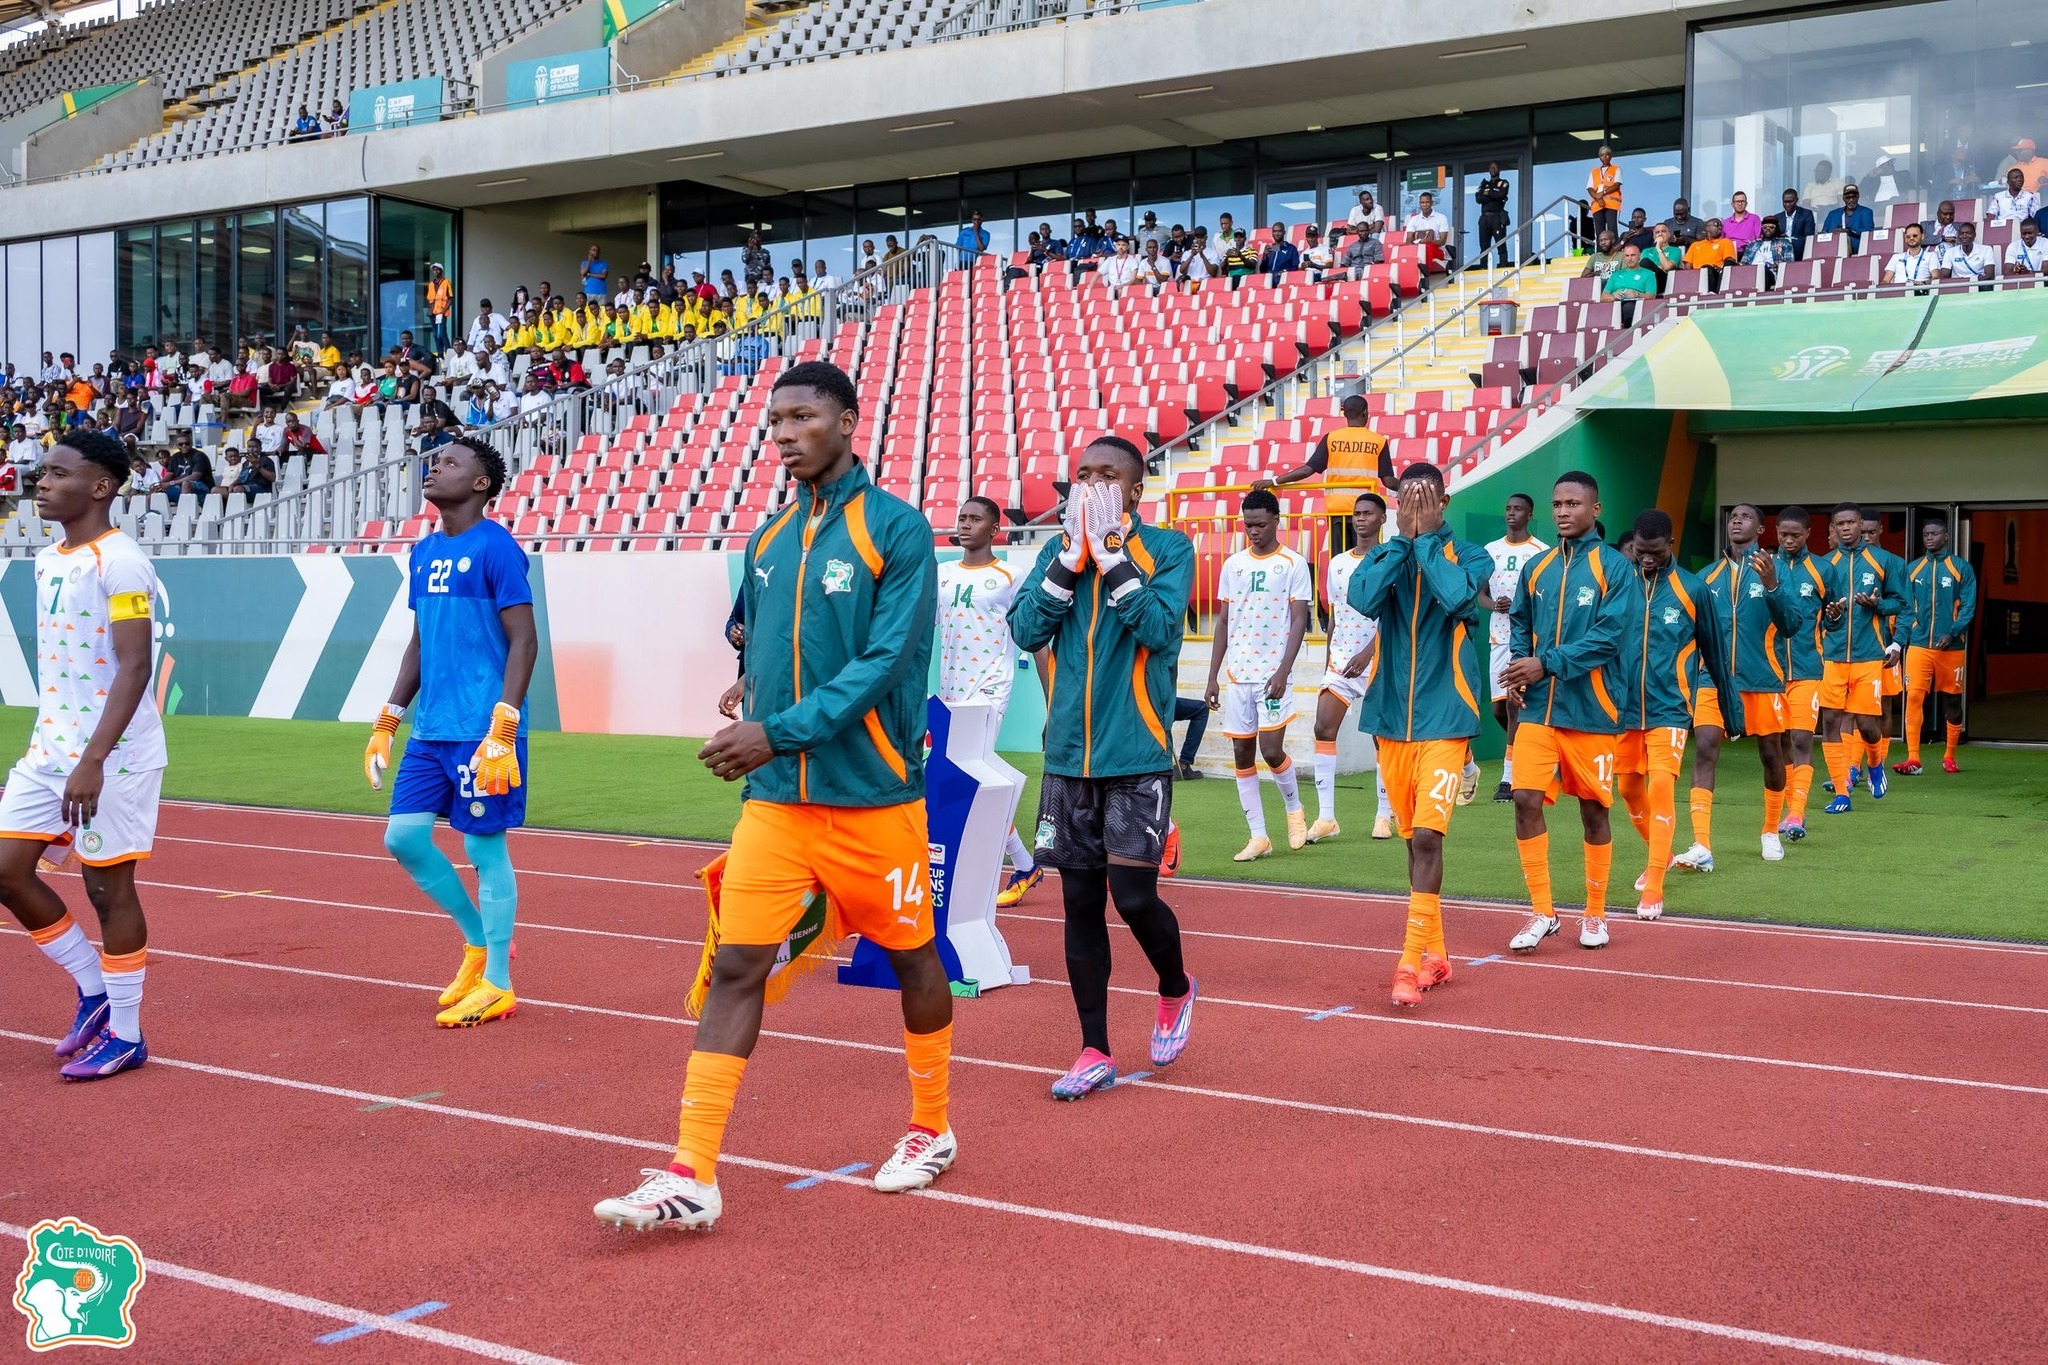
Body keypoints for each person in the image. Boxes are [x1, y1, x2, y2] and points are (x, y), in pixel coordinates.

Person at [593, 363, 954, 1229]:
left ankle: (931, 1128)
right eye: (776, 420)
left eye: (803, 417)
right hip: (776, 802)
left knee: (912, 962)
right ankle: (694, 1172)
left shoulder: (898, 531)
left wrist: (776, 727)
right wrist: (747, 690)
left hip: (875, 798)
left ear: (849, 422)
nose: (785, 433)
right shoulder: (765, 539)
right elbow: (760, 638)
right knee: (736, 964)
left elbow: (886, 661)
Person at [1009, 436, 1196, 1100]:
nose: (1088, 485)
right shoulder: (1053, 555)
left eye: (1105, 476)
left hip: (1137, 754)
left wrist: (1112, 555)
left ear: (1134, 492)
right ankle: (1094, 1047)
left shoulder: (1167, 549)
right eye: (1081, 475)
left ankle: (1174, 986)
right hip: (1067, 759)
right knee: (1080, 901)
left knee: (1135, 897)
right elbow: (1026, 630)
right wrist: (1069, 559)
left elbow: (1158, 629)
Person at [0, 430, 164, 1080]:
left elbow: (135, 665)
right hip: (51, 749)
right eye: (41, 472)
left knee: (107, 887)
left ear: (100, 486)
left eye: (58, 473)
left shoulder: (120, 562)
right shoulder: (48, 558)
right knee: (8, 869)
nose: (41, 482)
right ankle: (95, 990)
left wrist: (93, 757)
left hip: (113, 755)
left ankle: (126, 1034)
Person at [363, 435, 536, 1030]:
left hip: (482, 729)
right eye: (433, 461)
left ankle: (499, 985)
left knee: (483, 847)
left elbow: (524, 640)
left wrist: (505, 724)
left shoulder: (498, 549)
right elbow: (419, 640)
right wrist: (390, 716)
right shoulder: (423, 552)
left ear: (481, 483)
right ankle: (481, 943)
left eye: (451, 462)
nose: (435, 468)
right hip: (431, 728)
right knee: (403, 838)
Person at [1347, 463, 1491, 1006]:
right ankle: (1436, 955)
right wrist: (1400, 546)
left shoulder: (1472, 554)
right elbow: (1362, 599)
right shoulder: (1387, 553)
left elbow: (1458, 597)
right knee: (1413, 840)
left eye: (1423, 499)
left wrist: (1428, 543)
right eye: (1405, 499)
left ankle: (1408, 964)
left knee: (1430, 837)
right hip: (1391, 722)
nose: (1413, 507)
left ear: (1444, 502)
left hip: (1447, 718)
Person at [1503, 472, 1633, 954]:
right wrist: (1520, 670)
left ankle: (1595, 916)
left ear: (1594, 510)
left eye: (1573, 503)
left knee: (1594, 814)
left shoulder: (1614, 567)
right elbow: (1520, 619)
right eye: (1557, 503)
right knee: (1524, 801)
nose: (1563, 511)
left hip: (1593, 713)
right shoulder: (1536, 566)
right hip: (1539, 712)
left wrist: (1546, 664)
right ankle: (1542, 912)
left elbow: (1609, 637)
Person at [1614, 510, 1732, 920]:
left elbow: (1715, 654)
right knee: (1629, 789)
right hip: (1622, 708)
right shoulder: (1618, 583)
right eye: (1638, 552)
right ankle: (1658, 855)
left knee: (1661, 784)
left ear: (1670, 545)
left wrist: (1730, 713)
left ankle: (1654, 888)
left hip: (1670, 707)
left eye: (1653, 552)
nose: (1644, 559)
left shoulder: (1693, 590)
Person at [1671, 505, 1798, 875]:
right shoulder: (1706, 576)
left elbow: (1791, 625)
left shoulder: (1774, 570)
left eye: (1745, 517)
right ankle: (1702, 844)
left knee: (1772, 756)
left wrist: (1773, 584)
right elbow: (1685, 629)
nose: (1736, 521)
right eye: (1732, 517)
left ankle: (1771, 830)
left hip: (1763, 680)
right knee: (1706, 749)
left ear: (1761, 527)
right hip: (1712, 680)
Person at [937, 495, 1047, 908]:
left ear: (994, 529)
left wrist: (1051, 700)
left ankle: (983, 870)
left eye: (975, 519)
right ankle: (1023, 863)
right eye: (961, 517)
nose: (965, 524)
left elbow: (1035, 638)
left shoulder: (1010, 576)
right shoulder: (942, 574)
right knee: (970, 782)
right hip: (949, 693)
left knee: (971, 780)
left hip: (989, 691)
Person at [1206, 489, 1312, 861]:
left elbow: (1300, 618)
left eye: (1260, 524)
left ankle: (1295, 810)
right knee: (1241, 752)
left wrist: (1284, 669)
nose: (1252, 531)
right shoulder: (1233, 565)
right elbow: (1223, 621)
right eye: (1247, 524)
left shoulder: (1294, 563)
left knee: (1271, 750)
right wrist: (1212, 676)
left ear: (1276, 521)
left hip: (1272, 674)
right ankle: (1258, 836)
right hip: (1238, 674)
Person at [1306, 496, 1393, 843]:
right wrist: (1330, 657)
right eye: (1356, 514)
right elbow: (1335, 614)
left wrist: (1369, 651)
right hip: (1341, 663)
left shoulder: (1390, 559)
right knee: (1322, 727)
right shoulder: (1338, 563)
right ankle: (1327, 817)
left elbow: (1393, 616)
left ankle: (1385, 815)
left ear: (1382, 518)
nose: (1359, 519)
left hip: (1378, 661)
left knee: (1381, 739)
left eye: (1367, 513)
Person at [1815, 503, 1904, 814]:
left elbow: (1901, 603)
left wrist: (1877, 605)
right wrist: (1833, 615)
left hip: (1869, 656)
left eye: (1851, 522)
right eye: (1839, 524)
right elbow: (1820, 614)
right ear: (1833, 528)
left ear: (1861, 525)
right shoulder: (1825, 565)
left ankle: (1876, 764)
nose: (1846, 528)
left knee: (1867, 724)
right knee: (1830, 722)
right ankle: (1842, 793)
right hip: (1833, 655)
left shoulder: (1884, 561)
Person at [1249, 393, 1391, 553]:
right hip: (1366, 512)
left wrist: (1274, 481)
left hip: (1338, 511)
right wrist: (1409, 485)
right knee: (1368, 558)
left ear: (1344, 414)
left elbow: (1307, 469)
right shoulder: (1378, 440)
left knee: (1340, 559)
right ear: (1365, 413)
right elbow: (1388, 480)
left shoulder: (1331, 438)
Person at [1897, 515, 1975, 776]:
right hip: (1918, 644)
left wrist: (1952, 633)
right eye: (1925, 534)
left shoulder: (1960, 568)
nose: (1929, 538)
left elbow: (1968, 606)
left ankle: (1950, 755)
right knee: (1915, 696)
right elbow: (1904, 605)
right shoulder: (1913, 568)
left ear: (1946, 537)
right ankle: (1913, 758)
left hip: (1951, 647)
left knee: (1952, 702)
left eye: (1934, 534)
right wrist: (1902, 635)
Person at [1485, 493, 1549, 803]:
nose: (1512, 514)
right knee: (1500, 708)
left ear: (1530, 515)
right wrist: (1493, 605)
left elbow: (1546, 599)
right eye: (1508, 508)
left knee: (1514, 705)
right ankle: (1527, 751)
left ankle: (1509, 778)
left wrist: (1520, 608)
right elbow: (1480, 595)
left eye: (1519, 509)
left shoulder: (1541, 552)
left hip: (1527, 640)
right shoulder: (1491, 550)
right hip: (1498, 638)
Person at [1771, 507, 1829, 841]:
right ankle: (1790, 804)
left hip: (1808, 667)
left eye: (1796, 535)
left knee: (1802, 738)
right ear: (1776, 532)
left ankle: (1796, 813)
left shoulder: (1823, 569)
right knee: (1780, 741)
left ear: (1808, 533)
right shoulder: (1766, 567)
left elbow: (1836, 615)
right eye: (1783, 534)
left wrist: (1834, 615)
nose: (1789, 540)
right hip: (1772, 670)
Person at [1601, 243, 1659, 322]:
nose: (1630, 258)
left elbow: (1652, 296)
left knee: (1628, 308)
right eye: (1627, 256)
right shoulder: (1616, 274)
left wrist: (1637, 295)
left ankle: (1629, 333)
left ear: (1639, 256)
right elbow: (1603, 296)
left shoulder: (1649, 274)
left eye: (1633, 255)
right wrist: (1613, 297)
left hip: (1635, 304)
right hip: (1615, 303)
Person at [1473, 161, 1512, 267]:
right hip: (1484, 218)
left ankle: (1503, 266)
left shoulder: (1504, 183)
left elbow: (1501, 195)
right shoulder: (1484, 184)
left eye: (1495, 167)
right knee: (1484, 246)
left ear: (1499, 169)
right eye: (1491, 167)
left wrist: (1488, 194)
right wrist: (1492, 194)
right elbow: (1478, 198)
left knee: (1501, 244)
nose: (1493, 169)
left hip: (1497, 217)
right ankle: (1483, 268)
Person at [1937, 221, 1998, 287]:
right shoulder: (1950, 252)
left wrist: (1971, 283)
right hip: (1957, 286)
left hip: (1979, 285)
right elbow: (1944, 276)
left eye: (1968, 233)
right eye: (1961, 233)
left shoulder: (1986, 249)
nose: (1964, 236)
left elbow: (1990, 275)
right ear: (1958, 236)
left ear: (1974, 235)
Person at [1885, 223, 1941, 288]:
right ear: (1905, 239)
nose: (1911, 238)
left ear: (1922, 236)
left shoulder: (1931, 255)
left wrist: (1923, 283)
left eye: (1915, 236)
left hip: (1920, 292)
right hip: (1898, 293)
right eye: (1908, 237)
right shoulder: (1896, 257)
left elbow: (1936, 278)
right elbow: (1886, 281)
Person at [1821, 185, 1874, 252]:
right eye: (1848, 197)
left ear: (1858, 197)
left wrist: (1850, 232)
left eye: (1854, 197)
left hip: (1856, 245)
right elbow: (1824, 232)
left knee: (1844, 241)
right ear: (1843, 198)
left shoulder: (1866, 212)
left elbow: (1869, 232)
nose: (1851, 200)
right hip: (1832, 245)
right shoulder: (1833, 214)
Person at [1587, 146, 1622, 241]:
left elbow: (1617, 184)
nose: (1604, 157)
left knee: (1612, 229)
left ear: (1610, 156)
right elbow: (1590, 188)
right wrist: (1598, 199)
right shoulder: (1593, 172)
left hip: (1612, 205)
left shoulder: (1616, 169)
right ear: (1599, 157)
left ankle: (1614, 250)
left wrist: (1603, 193)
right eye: (1602, 155)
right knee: (1599, 231)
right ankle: (1600, 253)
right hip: (1597, 205)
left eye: (1607, 154)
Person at [1771, 189, 1817, 260]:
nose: (1787, 205)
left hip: (1799, 249)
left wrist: (1790, 240)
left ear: (1797, 200)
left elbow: (1809, 236)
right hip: (1779, 250)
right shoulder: (1777, 217)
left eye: (1790, 202)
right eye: (1785, 202)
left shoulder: (1806, 214)